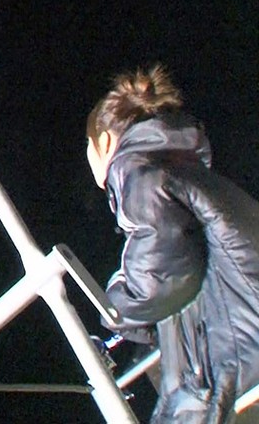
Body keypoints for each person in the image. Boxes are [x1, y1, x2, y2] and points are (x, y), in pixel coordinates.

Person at [85, 65, 259, 423]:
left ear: (104, 142)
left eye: (88, 146)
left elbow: (156, 285)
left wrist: (112, 309)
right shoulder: (181, 168)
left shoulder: (137, 170)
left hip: (237, 368)